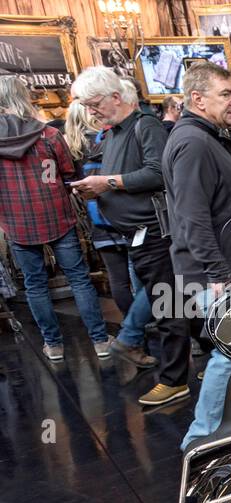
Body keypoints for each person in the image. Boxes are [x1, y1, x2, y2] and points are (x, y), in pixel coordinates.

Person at [163, 62, 231, 445]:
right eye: (225, 94)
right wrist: (219, 274)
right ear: (197, 98)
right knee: (230, 353)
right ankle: (200, 440)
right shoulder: (193, 143)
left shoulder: (209, 137)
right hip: (219, 277)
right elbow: (192, 219)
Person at [72, 67, 189, 403]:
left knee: (169, 309)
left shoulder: (145, 125)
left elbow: (157, 173)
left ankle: (174, 380)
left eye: (94, 103)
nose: (90, 110)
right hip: (135, 235)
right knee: (172, 304)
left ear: (115, 96)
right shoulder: (114, 133)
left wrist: (106, 183)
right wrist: (98, 190)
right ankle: (212, 356)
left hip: (154, 235)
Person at [0, 76, 110, 362]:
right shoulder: (48, 135)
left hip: (16, 223)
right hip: (58, 217)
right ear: (23, 97)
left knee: (35, 286)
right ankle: (100, 340)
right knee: (79, 280)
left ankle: (54, 345)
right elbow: (68, 175)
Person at [64, 99, 156, 368]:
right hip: (130, 216)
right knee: (148, 277)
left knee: (124, 278)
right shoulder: (112, 137)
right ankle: (135, 334)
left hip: (100, 218)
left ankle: (134, 335)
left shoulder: (74, 146)